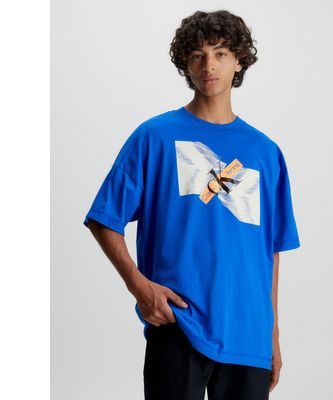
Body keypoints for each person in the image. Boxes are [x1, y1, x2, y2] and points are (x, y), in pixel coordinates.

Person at [83, 9, 301, 400]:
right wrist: (140, 287)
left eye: (220, 53)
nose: (209, 65)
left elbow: (270, 251)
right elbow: (104, 218)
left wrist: (273, 334)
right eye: (198, 55)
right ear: (186, 63)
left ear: (239, 61)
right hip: (178, 323)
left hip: (248, 334)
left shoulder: (266, 153)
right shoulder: (155, 136)